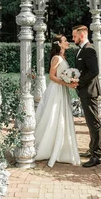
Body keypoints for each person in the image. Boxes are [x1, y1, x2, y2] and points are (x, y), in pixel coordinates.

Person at [34, 34, 81, 167]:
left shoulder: (63, 57)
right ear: (59, 44)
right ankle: (47, 147)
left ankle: (60, 148)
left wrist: (70, 80)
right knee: (54, 116)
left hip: (62, 89)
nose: (68, 42)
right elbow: (51, 76)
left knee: (61, 116)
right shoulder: (56, 58)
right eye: (65, 41)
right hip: (56, 90)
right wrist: (67, 83)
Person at [72, 24, 101, 167]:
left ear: (82, 35)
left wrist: (79, 82)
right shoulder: (82, 50)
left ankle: (97, 156)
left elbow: (94, 71)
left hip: (90, 91)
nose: (73, 39)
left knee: (94, 123)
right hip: (85, 91)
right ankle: (92, 150)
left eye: (74, 36)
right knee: (90, 123)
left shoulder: (89, 50)